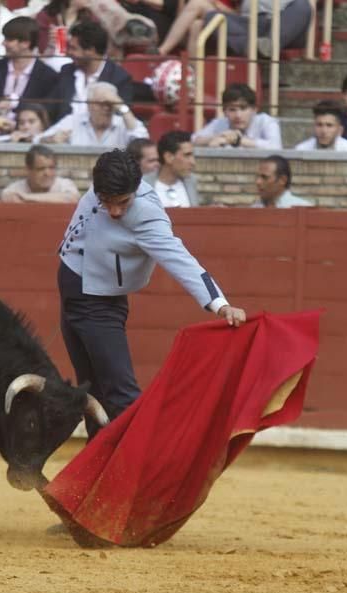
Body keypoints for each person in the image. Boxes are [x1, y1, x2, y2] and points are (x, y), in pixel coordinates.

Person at [56, 148, 246, 431]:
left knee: (121, 394)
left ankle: (145, 466)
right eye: (107, 202)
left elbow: (180, 258)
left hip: (99, 302)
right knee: (91, 392)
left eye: (122, 202)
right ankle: (98, 467)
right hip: (74, 293)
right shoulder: (105, 181)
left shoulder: (146, 214)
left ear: (134, 190)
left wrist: (219, 303)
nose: (115, 211)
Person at [0, 17, 60, 136]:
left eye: (9, 39)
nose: (3, 43)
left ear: (26, 43)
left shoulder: (48, 76)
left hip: (27, 138)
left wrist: (16, 121)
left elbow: (47, 112)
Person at [49, 20, 133, 121]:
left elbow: (122, 116)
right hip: (62, 132)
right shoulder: (67, 71)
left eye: (73, 48)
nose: (69, 52)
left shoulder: (119, 78)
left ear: (91, 51)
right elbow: (50, 107)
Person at [39, 80, 148, 147]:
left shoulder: (124, 123)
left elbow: (143, 142)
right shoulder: (73, 121)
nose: (106, 108)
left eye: (111, 104)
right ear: (89, 104)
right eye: (101, 104)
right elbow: (37, 140)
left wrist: (122, 107)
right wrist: (51, 140)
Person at [203, 0, 313, 57]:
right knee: (212, 17)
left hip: (285, 21)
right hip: (250, 22)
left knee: (303, 5)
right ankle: (255, 47)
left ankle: (270, 45)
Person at [192, 83, 282, 150]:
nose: (238, 116)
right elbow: (194, 140)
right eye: (232, 109)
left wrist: (238, 140)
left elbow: (276, 147)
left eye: (243, 108)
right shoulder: (220, 123)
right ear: (224, 111)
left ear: (254, 109)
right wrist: (219, 137)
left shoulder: (265, 121)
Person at [0, 145, 79, 202]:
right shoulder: (16, 188)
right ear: (28, 170)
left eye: (51, 168)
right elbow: (7, 197)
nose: (47, 173)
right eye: (41, 169)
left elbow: (72, 199)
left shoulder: (64, 184)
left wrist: (27, 197)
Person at [143, 130, 199, 208]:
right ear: (168, 157)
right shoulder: (143, 185)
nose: (193, 162)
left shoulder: (192, 182)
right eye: (187, 155)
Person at [157, 0, 234, 56]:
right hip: (201, 30)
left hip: (229, 25)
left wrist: (217, 4)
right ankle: (195, 73)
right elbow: (180, 21)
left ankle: (162, 50)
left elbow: (239, 17)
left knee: (197, 2)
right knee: (196, 25)